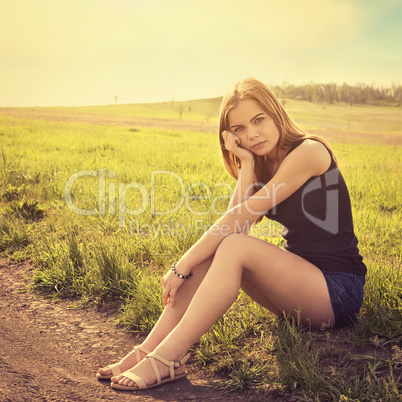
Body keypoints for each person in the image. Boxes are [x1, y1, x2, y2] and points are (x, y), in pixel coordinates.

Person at [97, 77, 367, 391]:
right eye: (238, 129)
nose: (251, 134)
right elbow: (235, 225)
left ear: (275, 112)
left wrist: (181, 265)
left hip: (337, 291)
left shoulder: (310, 151)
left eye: (258, 120)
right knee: (223, 246)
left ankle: (168, 358)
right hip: (298, 293)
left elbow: (240, 217)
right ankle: (146, 352)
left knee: (234, 247)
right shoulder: (263, 163)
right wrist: (248, 163)